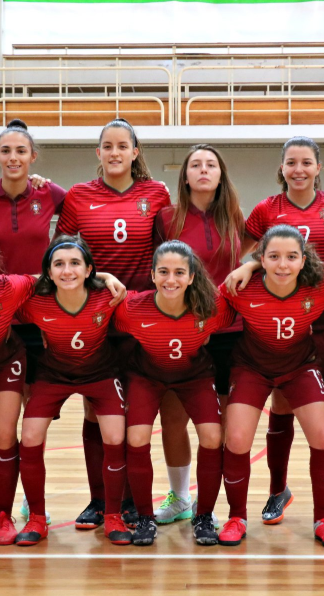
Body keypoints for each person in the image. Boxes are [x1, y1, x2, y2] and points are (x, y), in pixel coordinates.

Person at [233, 136, 324, 529]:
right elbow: (247, 252)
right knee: (284, 403)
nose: (299, 169)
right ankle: (278, 489)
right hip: (283, 319)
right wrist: (255, 267)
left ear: (319, 167)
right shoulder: (265, 209)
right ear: (282, 167)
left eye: (307, 162)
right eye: (292, 162)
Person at [55, 118, 171, 528]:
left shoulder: (157, 193)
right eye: (107, 146)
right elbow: (63, 251)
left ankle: (132, 501)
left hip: (143, 315)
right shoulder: (79, 196)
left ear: (135, 152)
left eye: (123, 145)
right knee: (96, 409)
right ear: (98, 152)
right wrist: (98, 278)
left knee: (135, 413)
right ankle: (100, 499)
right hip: (95, 314)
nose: (115, 152)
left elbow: (170, 249)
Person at [0, 119, 65, 528]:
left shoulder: (52, 194)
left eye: (22, 151)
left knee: (30, 408)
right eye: (6, 151)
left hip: (38, 318)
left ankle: (28, 495)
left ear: (32, 157)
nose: (14, 158)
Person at [218, 225, 324, 549]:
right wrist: (248, 267)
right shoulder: (239, 287)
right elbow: (210, 310)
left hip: (300, 367)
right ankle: (237, 516)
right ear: (261, 258)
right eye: (273, 257)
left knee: (323, 434)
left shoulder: (320, 287)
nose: (283, 264)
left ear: (304, 260)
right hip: (252, 368)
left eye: (291, 257)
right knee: (235, 438)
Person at [114, 241, 236, 545]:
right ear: (153, 275)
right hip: (146, 376)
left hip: (194, 376)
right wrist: (105, 277)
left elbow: (238, 309)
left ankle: (204, 515)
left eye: (180, 272)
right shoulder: (131, 308)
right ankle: (144, 518)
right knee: (137, 438)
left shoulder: (213, 307)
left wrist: (250, 264)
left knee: (211, 436)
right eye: (164, 272)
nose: (171, 279)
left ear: (192, 277)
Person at [13, 236, 129, 546]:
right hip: (53, 375)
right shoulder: (34, 303)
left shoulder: (109, 297)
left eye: (75, 263)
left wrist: (106, 277)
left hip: (101, 373)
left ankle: (113, 515)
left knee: (116, 437)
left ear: (89, 269)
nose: (67, 270)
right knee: (30, 436)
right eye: (59, 264)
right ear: (48, 273)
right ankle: (37, 517)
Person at [151, 144, 244, 526]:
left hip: (226, 332)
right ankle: (180, 496)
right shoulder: (166, 218)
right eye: (195, 165)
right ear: (184, 175)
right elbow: (158, 272)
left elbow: (252, 263)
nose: (203, 170)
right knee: (173, 418)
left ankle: (214, 505)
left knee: (219, 427)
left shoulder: (237, 218)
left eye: (211, 165)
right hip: (179, 331)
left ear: (221, 174)